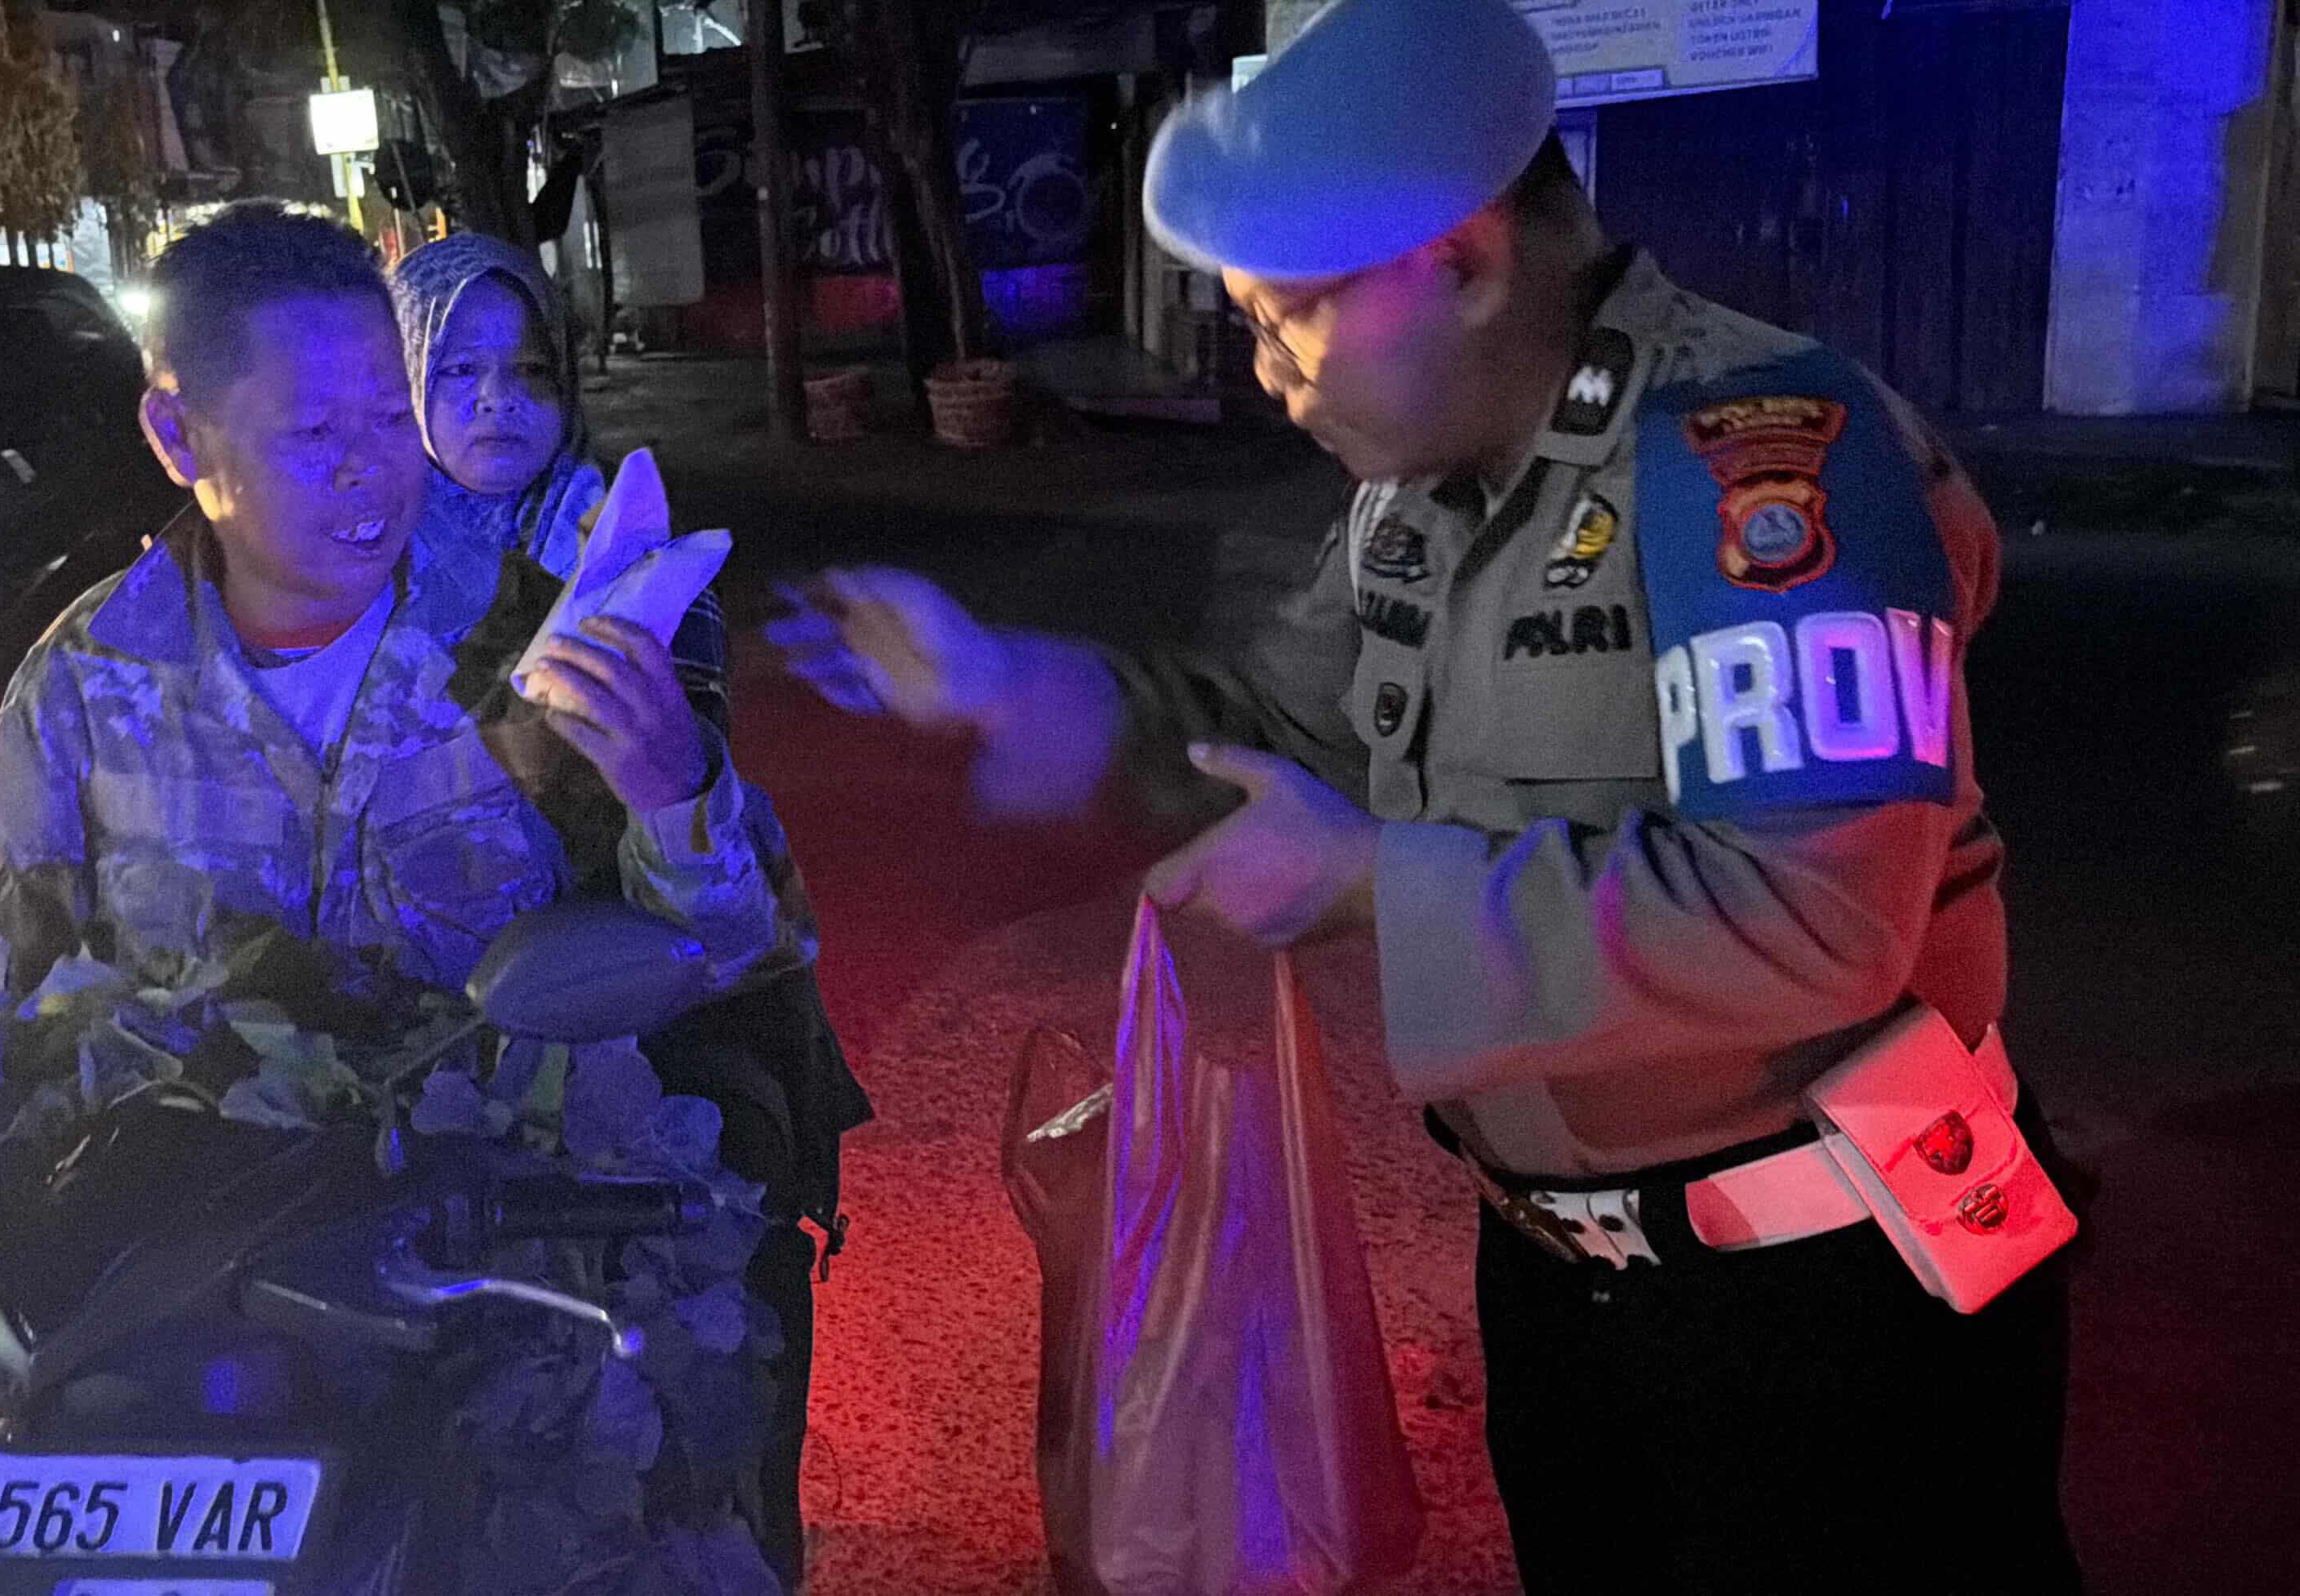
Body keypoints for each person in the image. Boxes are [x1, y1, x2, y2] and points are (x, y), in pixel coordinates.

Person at [765, 0, 2080, 1588]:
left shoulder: (1757, 457)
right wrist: (1005, 687)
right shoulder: (1410, 504)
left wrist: (1385, 880)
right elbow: (1281, 746)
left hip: (1822, 1308)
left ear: (1458, 261)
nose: (1266, 373)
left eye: (1293, 316)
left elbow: (1813, 923)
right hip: (1557, 1280)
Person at [0, 201, 819, 1586]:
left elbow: (733, 958)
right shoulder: (90, 684)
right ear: (182, 442)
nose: (376, 472)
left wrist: (678, 794)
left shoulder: (530, 643)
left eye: (390, 415)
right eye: (318, 436)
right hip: (157, 1270)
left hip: (486, 1272)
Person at [393, 229, 870, 1590]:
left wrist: (651, 773)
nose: (497, 404)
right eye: (460, 371)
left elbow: (686, 834)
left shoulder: (632, 560)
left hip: (671, 1018)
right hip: (447, 1048)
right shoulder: (356, 568)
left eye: (530, 371)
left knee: (704, 1428)